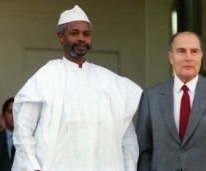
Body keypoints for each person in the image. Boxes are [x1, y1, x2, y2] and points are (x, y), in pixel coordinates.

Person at [12, 5, 142, 171]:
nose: (81, 38)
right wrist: (32, 167)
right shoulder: (47, 76)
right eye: (74, 33)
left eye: (86, 34)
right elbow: (23, 127)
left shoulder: (111, 82)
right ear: (61, 37)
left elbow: (127, 136)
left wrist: (129, 167)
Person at [136, 31, 206, 171]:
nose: (188, 57)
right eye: (181, 51)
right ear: (170, 57)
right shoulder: (150, 97)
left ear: (201, 56)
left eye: (194, 51)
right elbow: (144, 153)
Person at [0, 97, 15, 171]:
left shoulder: (32, 137)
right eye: (10, 111)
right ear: (3, 115)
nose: (14, 115)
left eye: (17, 111)